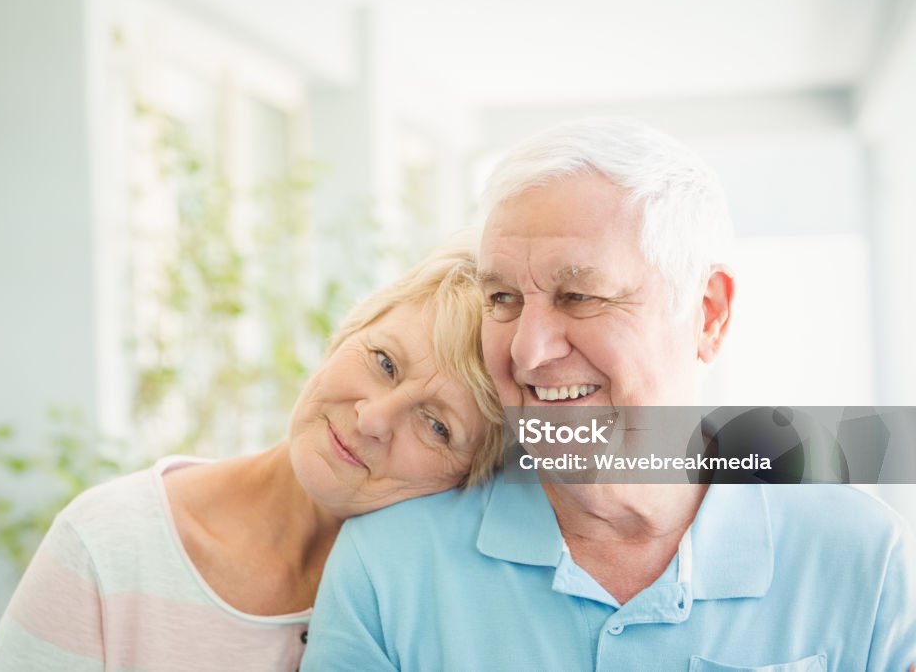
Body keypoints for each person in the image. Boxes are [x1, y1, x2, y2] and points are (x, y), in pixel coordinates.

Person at [302, 119, 916, 670]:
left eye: (579, 296)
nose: (526, 350)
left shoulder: (858, 554)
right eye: (503, 299)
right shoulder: (389, 565)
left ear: (708, 315)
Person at [0, 240, 505, 671]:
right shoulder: (108, 544)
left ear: (469, 475)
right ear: (344, 335)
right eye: (384, 362)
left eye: (437, 426)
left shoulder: (429, 602)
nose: (373, 419)